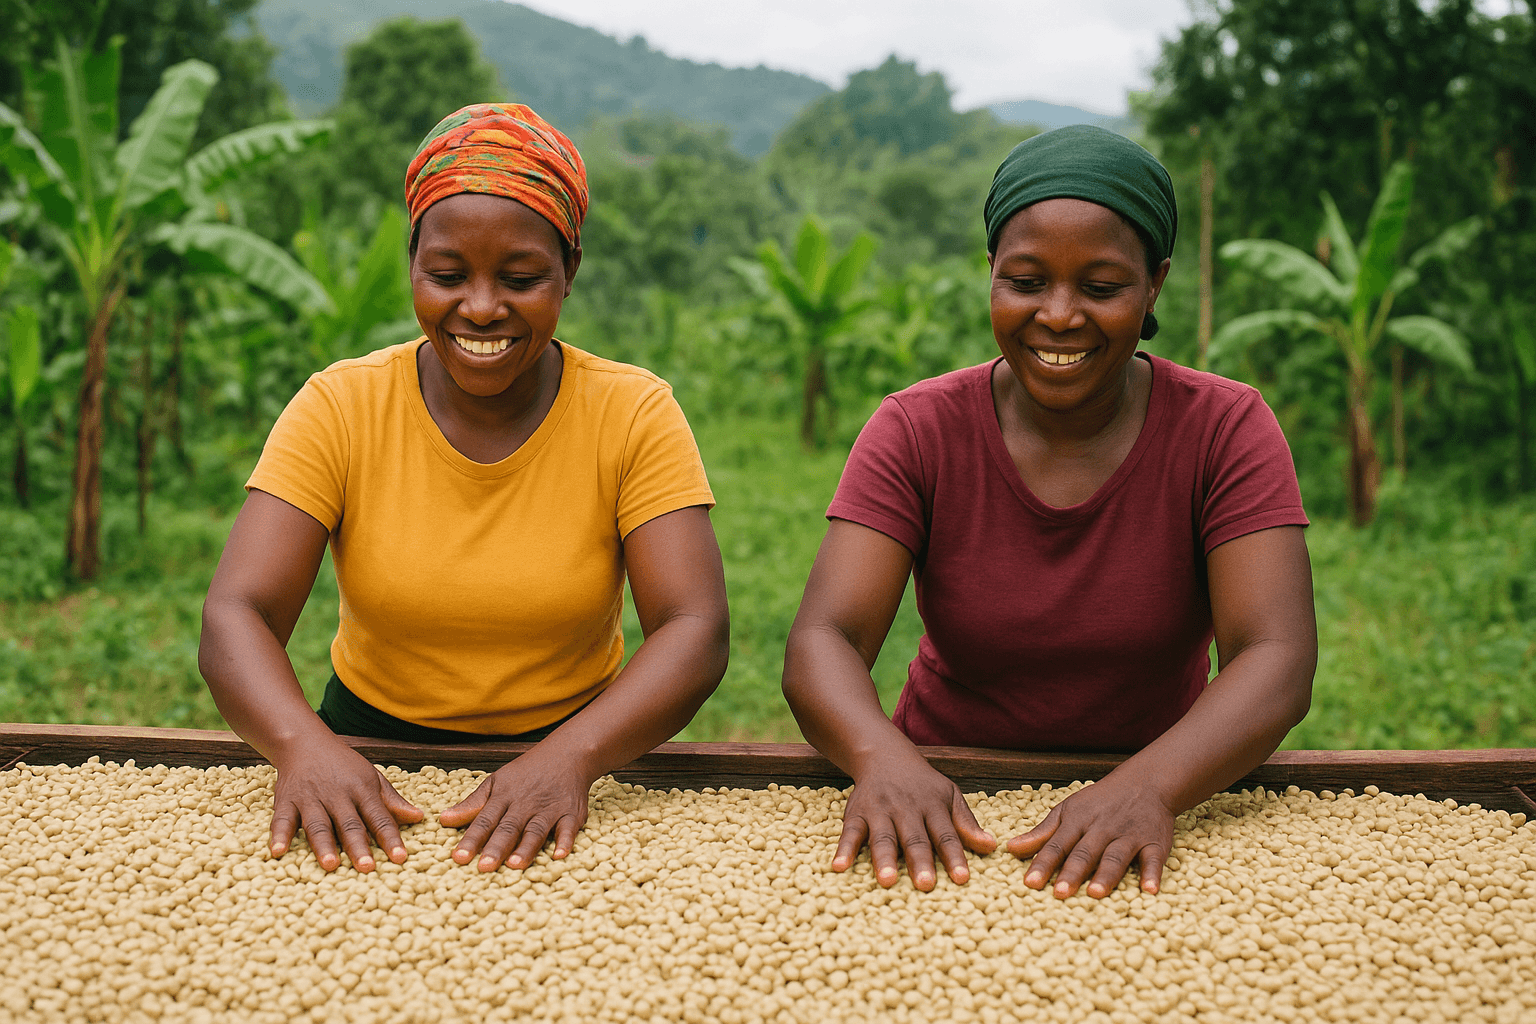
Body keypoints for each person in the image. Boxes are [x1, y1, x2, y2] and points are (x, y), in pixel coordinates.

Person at [782, 125, 1316, 899]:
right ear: (992, 273)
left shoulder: (1224, 429)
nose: (1060, 316)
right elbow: (825, 637)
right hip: (945, 799)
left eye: (1101, 288)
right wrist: (884, 760)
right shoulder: (918, 428)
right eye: (1026, 281)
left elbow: (1276, 655)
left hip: (1159, 785)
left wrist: (1151, 789)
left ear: (1155, 284)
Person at [199, 104, 729, 876]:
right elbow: (236, 611)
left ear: (570, 271)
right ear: (412, 263)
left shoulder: (632, 412)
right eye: (448, 276)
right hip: (364, 751)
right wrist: (304, 747)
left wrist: (571, 760)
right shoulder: (342, 405)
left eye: (521, 279)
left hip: (578, 750)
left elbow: (694, 626)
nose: (481, 308)